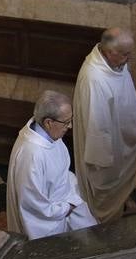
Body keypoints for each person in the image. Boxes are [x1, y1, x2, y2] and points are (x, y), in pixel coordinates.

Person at [73, 28, 136, 222]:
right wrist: (103, 159)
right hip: (105, 145)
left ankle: (123, 199)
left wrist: (135, 101)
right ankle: (106, 221)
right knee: (107, 180)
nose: (129, 58)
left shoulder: (116, 61)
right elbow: (96, 126)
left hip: (120, 132)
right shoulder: (94, 78)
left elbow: (122, 85)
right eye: (126, 54)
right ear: (110, 52)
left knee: (127, 171)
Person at [6, 90, 96, 238]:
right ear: (48, 122)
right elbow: (33, 204)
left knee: (92, 236)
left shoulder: (50, 134)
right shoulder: (31, 154)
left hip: (66, 202)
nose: (70, 126)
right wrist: (67, 207)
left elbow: (60, 170)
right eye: (66, 122)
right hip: (50, 217)